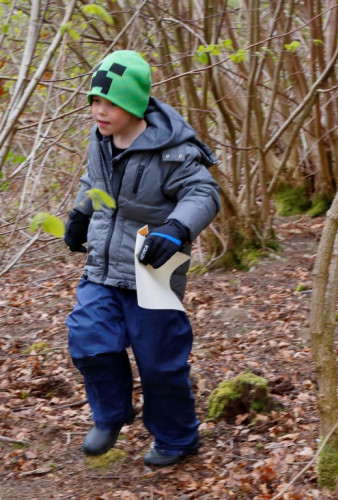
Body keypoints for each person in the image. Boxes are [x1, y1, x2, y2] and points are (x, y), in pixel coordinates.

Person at [63, 50, 220, 466]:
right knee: (88, 339)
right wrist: (80, 213)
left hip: (155, 268)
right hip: (101, 265)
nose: (99, 110)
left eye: (109, 102)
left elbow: (204, 193)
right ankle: (111, 415)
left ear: (133, 104)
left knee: (159, 363)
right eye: (95, 101)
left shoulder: (174, 150)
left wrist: (176, 228)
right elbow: (93, 181)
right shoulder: (101, 138)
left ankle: (177, 438)